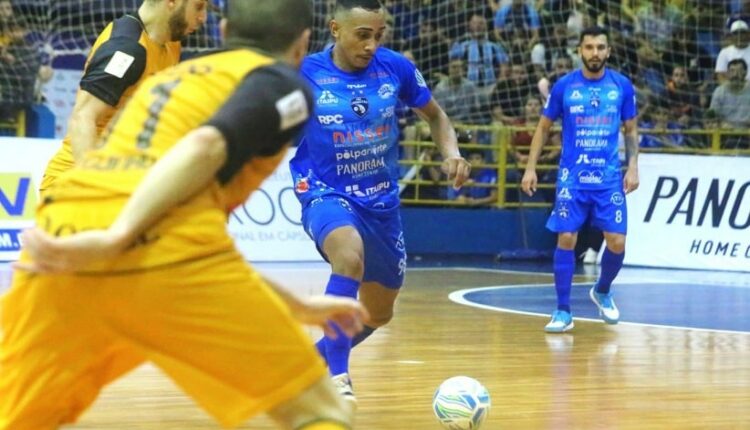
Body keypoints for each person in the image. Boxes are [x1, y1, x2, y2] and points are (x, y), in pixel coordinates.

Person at [0, 1, 370, 429]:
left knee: (17, 417)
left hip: (63, 239)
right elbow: (203, 154)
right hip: (144, 242)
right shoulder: (283, 86)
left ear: (226, 29)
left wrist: (293, 304)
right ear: (303, 44)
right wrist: (117, 234)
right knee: (320, 412)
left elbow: (206, 245)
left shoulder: (168, 79)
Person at [289, 0, 470, 403]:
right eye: (362, 35)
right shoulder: (305, 73)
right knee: (348, 258)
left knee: (378, 313)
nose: (372, 45)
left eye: (378, 35)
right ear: (335, 29)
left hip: (381, 202)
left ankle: (299, 367)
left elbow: (436, 116)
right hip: (325, 192)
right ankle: (338, 378)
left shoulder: (396, 68)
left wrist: (451, 153)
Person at [521, 26, 640, 333]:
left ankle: (602, 289)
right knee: (566, 239)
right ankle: (562, 311)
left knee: (617, 242)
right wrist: (530, 167)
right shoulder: (564, 86)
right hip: (572, 179)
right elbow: (544, 128)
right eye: (589, 47)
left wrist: (633, 166)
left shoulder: (622, 86)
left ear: (608, 51)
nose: (595, 53)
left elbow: (630, 129)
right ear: (580, 51)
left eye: (601, 47)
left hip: (609, 178)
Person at [39, 0, 208, 191]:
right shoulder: (126, 51)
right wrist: (94, 185)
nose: (203, 18)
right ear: (171, 2)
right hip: (78, 183)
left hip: (124, 177)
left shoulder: (171, 44)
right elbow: (82, 118)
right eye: (199, 7)